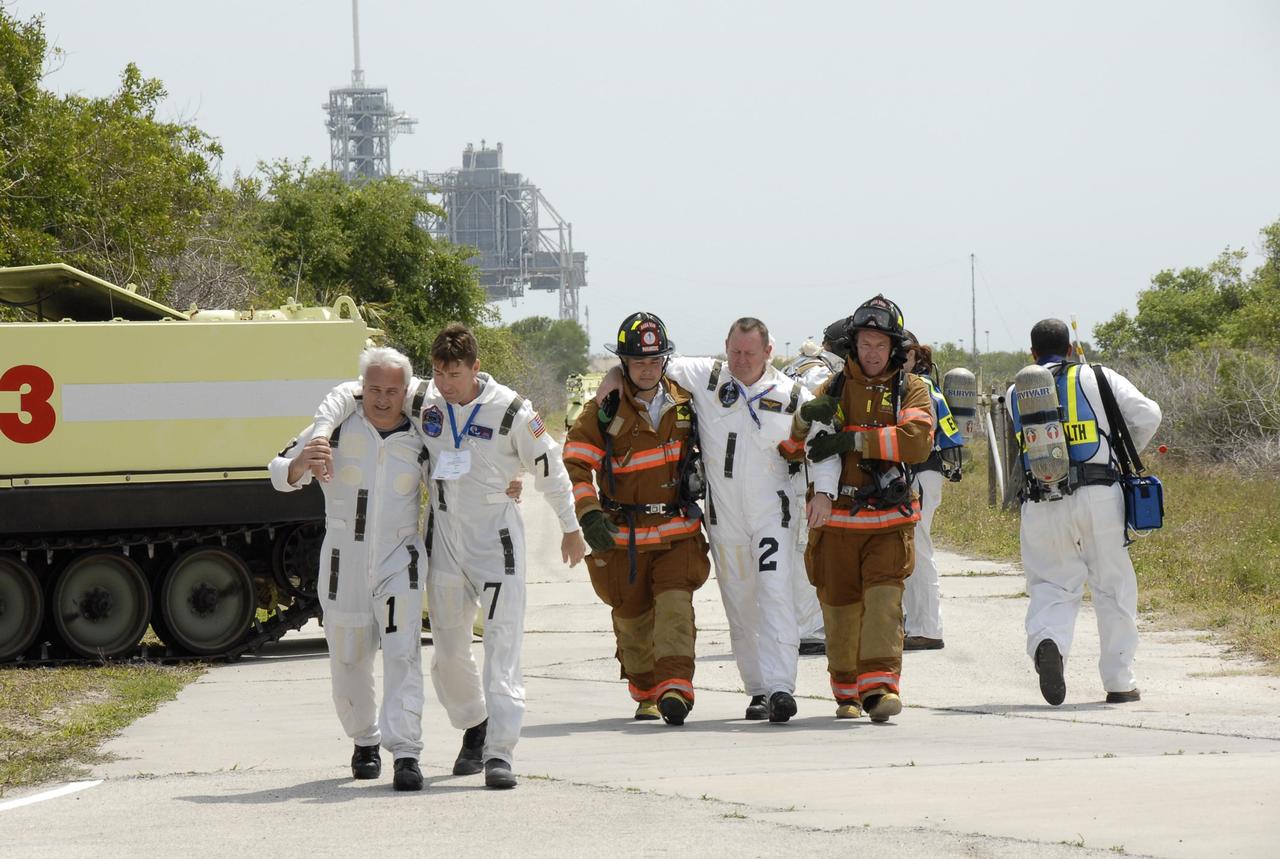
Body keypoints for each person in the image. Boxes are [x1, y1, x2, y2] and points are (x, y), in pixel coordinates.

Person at [313, 324, 587, 789]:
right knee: (449, 654)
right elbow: (355, 391)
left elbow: (550, 466)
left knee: (502, 648)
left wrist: (570, 527)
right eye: (439, 373)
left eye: (455, 375)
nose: (446, 384)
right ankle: (475, 724)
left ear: (475, 368)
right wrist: (322, 429)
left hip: (496, 545)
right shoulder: (424, 401)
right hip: (444, 545)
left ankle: (500, 753)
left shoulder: (511, 411)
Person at [599, 318, 817, 722]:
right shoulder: (709, 378)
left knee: (775, 594)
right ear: (726, 347)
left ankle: (781, 688)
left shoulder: (792, 396)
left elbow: (822, 444)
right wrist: (613, 375)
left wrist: (822, 492)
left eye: (750, 353)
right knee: (740, 602)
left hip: (773, 514)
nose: (741, 360)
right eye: (735, 351)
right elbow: (650, 363)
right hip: (725, 519)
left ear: (769, 352)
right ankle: (758, 690)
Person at [268, 346, 427, 791]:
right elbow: (277, 471)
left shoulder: (421, 432)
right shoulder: (336, 427)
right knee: (349, 656)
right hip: (343, 562)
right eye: (374, 389)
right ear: (362, 388)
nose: (382, 399)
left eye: (392, 391)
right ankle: (365, 741)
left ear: (405, 391)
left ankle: (407, 753)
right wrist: (300, 464)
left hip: (400, 559)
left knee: (403, 654)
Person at [789, 296, 933, 723]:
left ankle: (881, 689)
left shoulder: (911, 389)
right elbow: (794, 449)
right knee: (840, 611)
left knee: (885, 604)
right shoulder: (829, 389)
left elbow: (917, 442)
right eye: (866, 344)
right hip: (837, 524)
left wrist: (854, 440)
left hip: (889, 523)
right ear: (853, 345)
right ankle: (847, 692)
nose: (872, 353)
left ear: (894, 348)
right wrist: (802, 420)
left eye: (880, 345)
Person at [563, 312, 711, 726]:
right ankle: (646, 691)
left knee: (676, 608)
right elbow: (575, 462)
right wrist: (589, 513)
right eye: (638, 361)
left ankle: (676, 688)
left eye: (655, 360)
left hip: (678, 532)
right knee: (633, 621)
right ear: (624, 363)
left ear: (665, 360)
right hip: (624, 538)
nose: (647, 369)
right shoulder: (604, 409)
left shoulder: (687, 401)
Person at [1008, 319, 1161, 706]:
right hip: (1098, 494)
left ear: (1032, 354)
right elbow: (1148, 415)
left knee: (1052, 585)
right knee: (1112, 586)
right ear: (1071, 349)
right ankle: (1119, 680)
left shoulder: (1015, 391)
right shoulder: (1098, 376)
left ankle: (1049, 641)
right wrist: (1123, 452)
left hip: (1041, 501)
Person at [781, 318, 851, 656]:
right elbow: (822, 425)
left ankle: (798, 624)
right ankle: (807, 628)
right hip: (804, 471)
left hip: (789, 469)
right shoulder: (821, 375)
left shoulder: (798, 366)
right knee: (805, 547)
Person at [901, 333, 965, 651]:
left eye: (904, 353)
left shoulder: (918, 386)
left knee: (919, 548)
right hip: (920, 475)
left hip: (921, 473)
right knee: (909, 548)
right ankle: (914, 622)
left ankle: (927, 628)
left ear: (915, 356)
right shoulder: (918, 383)